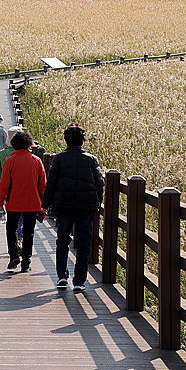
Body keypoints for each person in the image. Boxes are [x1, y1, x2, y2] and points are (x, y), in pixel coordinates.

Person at [42, 123, 104, 292]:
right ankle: (79, 281)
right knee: (84, 242)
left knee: (63, 239)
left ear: (66, 140)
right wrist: (98, 201)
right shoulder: (91, 159)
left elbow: (51, 183)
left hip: (64, 205)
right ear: (83, 140)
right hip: (86, 205)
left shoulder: (59, 159)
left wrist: (44, 205)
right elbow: (100, 183)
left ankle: (62, 276)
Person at [0, 129, 46, 273]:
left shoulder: (10, 161)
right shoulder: (37, 161)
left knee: (11, 229)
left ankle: (13, 256)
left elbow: (4, 185)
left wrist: (0, 203)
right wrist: (44, 205)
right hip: (33, 203)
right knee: (29, 232)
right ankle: (26, 262)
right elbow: (43, 185)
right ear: (29, 145)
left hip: (14, 202)